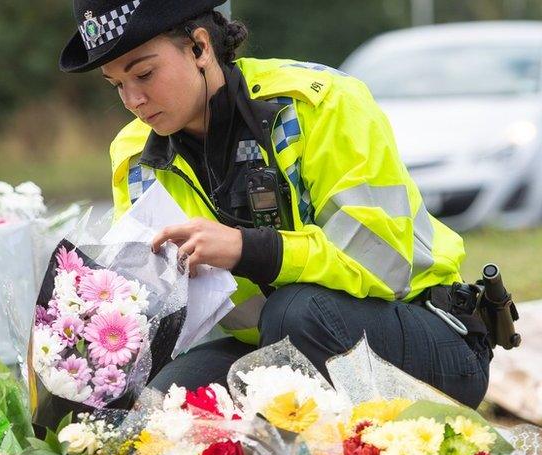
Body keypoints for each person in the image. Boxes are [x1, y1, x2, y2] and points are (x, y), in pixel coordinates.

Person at [58, 0, 491, 407]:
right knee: (165, 401)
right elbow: (154, 307)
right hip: (274, 349)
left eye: (145, 74)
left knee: (298, 312)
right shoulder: (134, 158)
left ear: (199, 47)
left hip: (429, 337)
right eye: (117, 85)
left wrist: (250, 249)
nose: (134, 101)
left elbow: (383, 264)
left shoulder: (321, 104)